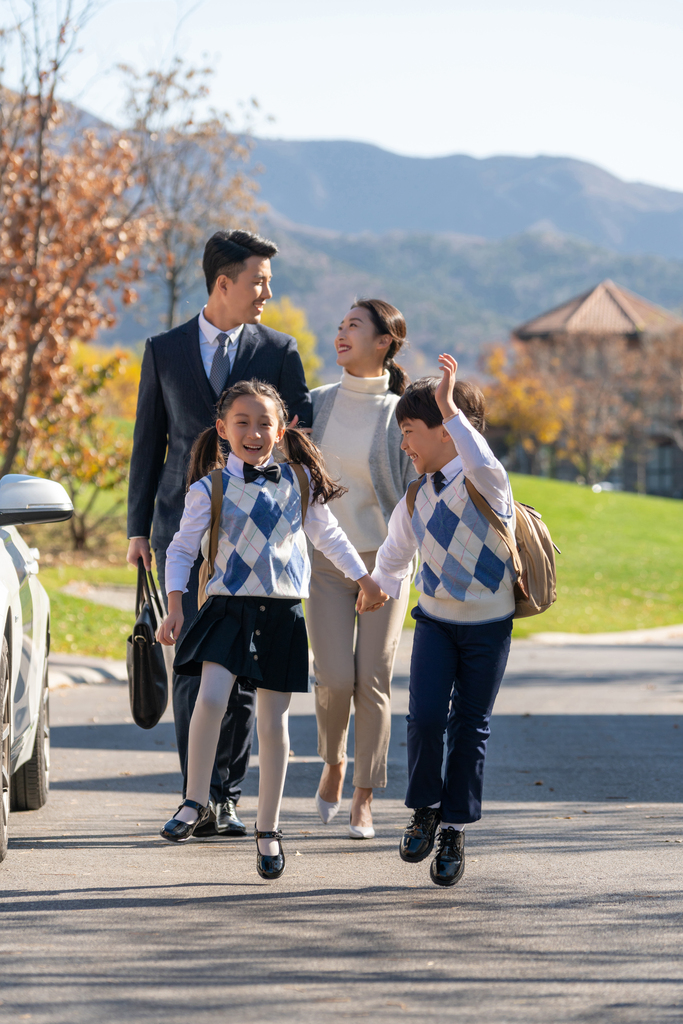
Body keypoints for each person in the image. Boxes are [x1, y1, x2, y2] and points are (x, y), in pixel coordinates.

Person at [156, 379, 387, 879]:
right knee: (211, 699)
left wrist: (364, 578)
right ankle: (194, 802)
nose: (254, 432)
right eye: (242, 423)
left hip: (282, 613)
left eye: (265, 423)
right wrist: (174, 604)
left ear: (282, 430)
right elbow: (180, 550)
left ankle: (268, 830)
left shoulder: (299, 483)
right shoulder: (208, 488)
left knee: (272, 723)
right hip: (226, 609)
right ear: (223, 429)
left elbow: (331, 537)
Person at [127, 229, 311, 839]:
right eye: (259, 280)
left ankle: (228, 794)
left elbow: (298, 445)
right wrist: (137, 531)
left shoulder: (279, 350)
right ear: (223, 283)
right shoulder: (163, 349)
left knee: (243, 672)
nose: (267, 291)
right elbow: (148, 447)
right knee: (195, 671)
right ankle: (195, 794)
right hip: (184, 528)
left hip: (255, 540)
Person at [363, 354, 515, 887]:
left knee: (469, 727)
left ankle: (453, 827)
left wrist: (452, 408)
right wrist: (375, 588)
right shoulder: (414, 497)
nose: (404, 443)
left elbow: (480, 457)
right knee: (425, 717)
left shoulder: (489, 485)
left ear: (449, 433)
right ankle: (425, 808)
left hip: (488, 629)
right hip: (433, 623)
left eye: (410, 431)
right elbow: (393, 556)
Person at [308, 299, 416, 839]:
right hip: (327, 561)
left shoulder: (401, 413)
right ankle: (333, 762)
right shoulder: (314, 404)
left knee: (373, 677)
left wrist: (393, 565)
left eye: (354, 325)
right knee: (333, 675)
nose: (341, 332)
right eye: (340, 324)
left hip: (388, 561)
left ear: (383, 342)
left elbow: (417, 490)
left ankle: (365, 798)